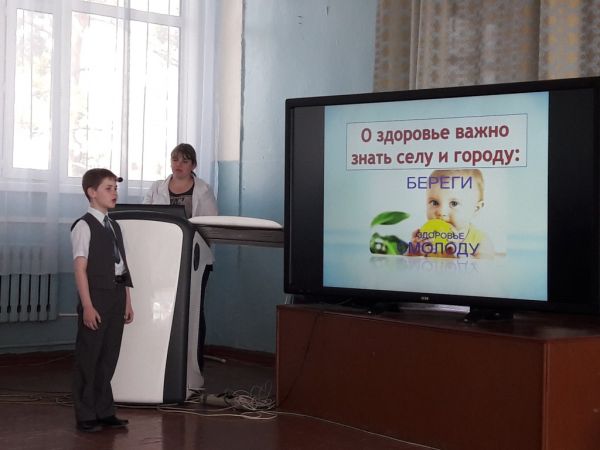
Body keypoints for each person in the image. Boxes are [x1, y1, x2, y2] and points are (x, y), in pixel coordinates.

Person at [143, 143, 217, 371]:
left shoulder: (203, 190)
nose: (179, 165)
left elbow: (211, 224)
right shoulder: (157, 188)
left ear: (193, 165)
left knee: (193, 309)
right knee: (162, 309)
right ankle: (162, 364)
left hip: (194, 258)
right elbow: (144, 217)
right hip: (163, 258)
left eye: (185, 161)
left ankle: (194, 366)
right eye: (175, 160)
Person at [71, 168, 134, 433]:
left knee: (108, 356)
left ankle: (104, 411)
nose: (114, 193)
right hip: (96, 297)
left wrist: (127, 301)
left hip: (117, 294)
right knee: (90, 356)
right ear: (92, 192)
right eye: (108, 188)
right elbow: (80, 269)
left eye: (115, 188)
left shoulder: (115, 226)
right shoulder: (83, 226)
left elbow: (123, 266)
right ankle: (86, 414)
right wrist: (87, 305)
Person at [408, 168, 495, 258]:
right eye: (434, 202)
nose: (441, 212)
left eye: (454, 203)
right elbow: (404, 263)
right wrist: (413, 251)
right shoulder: (426, 238)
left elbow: (484, 265)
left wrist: (459, 252)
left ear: (476, 209)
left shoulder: (481, 241)